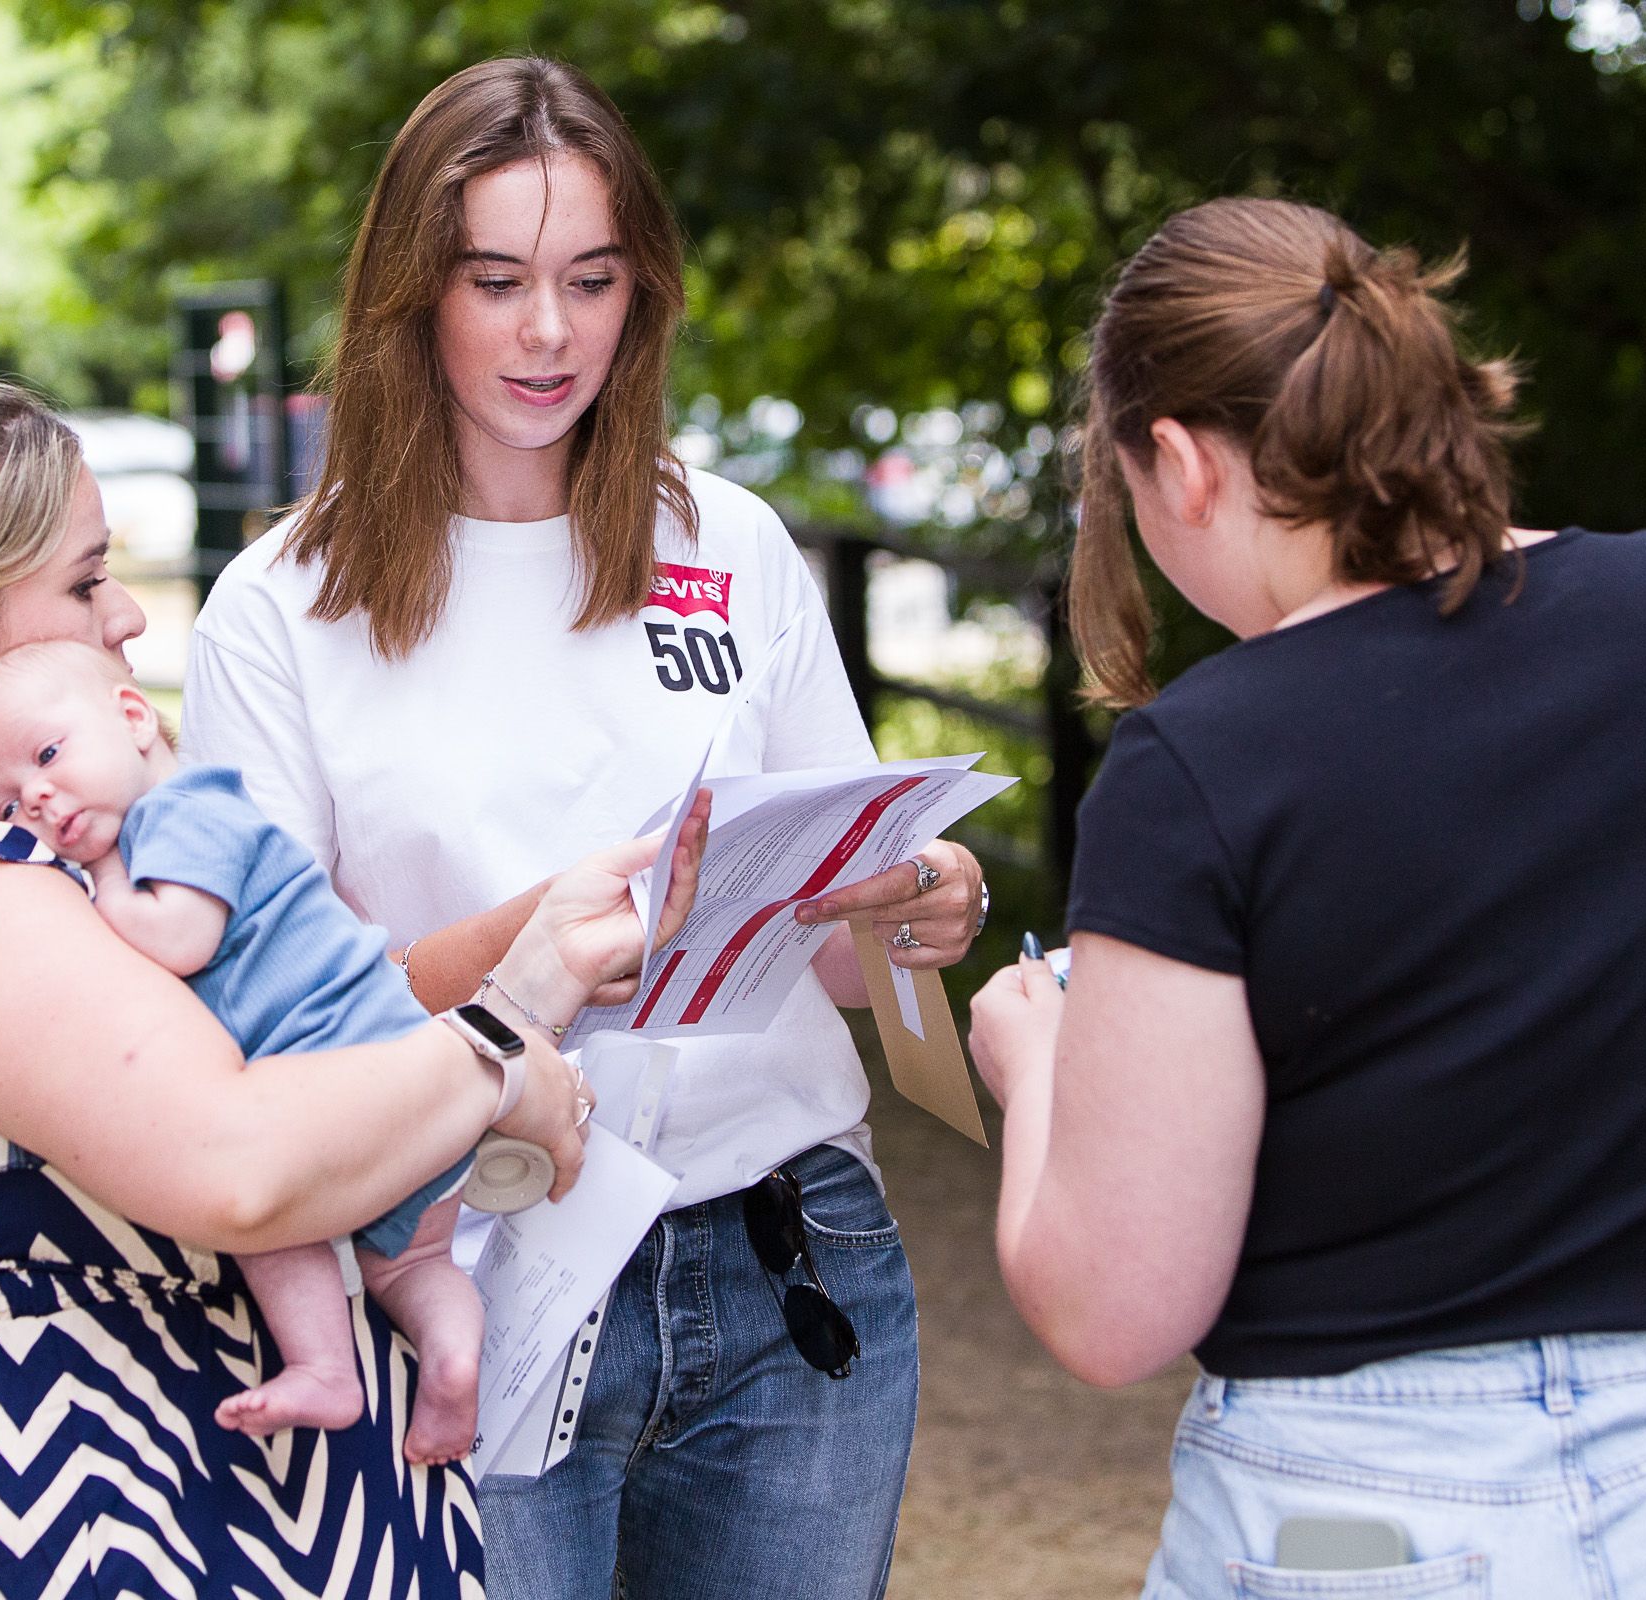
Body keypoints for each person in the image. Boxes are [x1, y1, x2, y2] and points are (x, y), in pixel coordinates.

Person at [0, 377, 690, 1598]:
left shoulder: (16, 873)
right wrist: (508, 1030)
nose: (125, 615)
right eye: (85, 580)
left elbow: (282, 1063)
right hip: (109, 1535)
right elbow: (237, 1160)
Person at [185, 56, 986, 1600]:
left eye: (591, 279)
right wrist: (524, 948)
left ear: (644, 292)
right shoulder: (281, 607)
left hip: (784, 1253)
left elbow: (832, 927)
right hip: (474, 1270)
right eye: (496, 281)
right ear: (412, 294)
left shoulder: (728, 542)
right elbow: (267, 1037)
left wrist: (916, 899)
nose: (549, 333)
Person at [967, 197, 1646, 1598]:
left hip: (1360, 1516)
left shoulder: (1201, 763)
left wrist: (1034, 1061)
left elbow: (1115, 1310)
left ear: (1177, 460)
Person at [0, 638, 703, 1464]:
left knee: (270, 1225)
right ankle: (447, 1360)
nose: (41, 800)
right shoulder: (152, 831)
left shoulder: (186, 810)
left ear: (132, 719)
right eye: (10, 806)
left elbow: (182, 938)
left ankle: (323, 1360)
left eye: (49, 756)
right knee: (411, 1266)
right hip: (400, 1101)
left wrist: (81, 889)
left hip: (358, 1065)